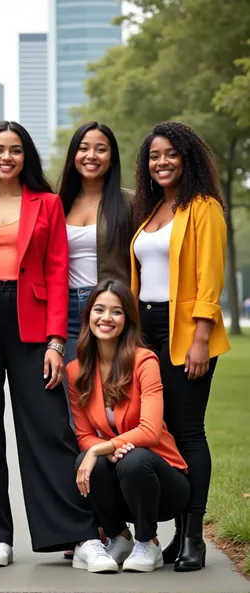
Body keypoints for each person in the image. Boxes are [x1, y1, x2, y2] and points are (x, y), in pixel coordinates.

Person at [0, 120, 97, 568]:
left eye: (14, 150)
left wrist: (54, 340)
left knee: (50, 427)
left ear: (26, 156)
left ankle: (77, 535)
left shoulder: (47, 204)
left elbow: (56, 270)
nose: (6, 157)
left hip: (33, 324)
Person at [131, 122, 231, 571]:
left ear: (187, 158)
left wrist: (201, 338)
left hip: (186, 329)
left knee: (188, 432)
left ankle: (194, 536)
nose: (162, 162)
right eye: (154, 155)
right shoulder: (150, 210)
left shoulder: (203, 207)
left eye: (170, 153)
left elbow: (210, 275)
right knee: (160, 433)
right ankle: (170, 535)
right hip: (146, 329)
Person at [67, 279, 190, 573]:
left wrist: (105, 448)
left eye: (116, 312)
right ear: (88, 316)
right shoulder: (76, 371)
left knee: (133, 459)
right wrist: (100, 453)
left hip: (164, 483)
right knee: (86, 461)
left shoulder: (144, 361)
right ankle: (119, 536)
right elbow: (83, 434)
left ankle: (148, 543)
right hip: (122, 477)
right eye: (99, 310)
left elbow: (150, 430)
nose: (106, 318)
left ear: (128, 320)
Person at [58, 121, 135, 367]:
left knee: (111, 395)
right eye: (84, 148)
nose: (91, 156)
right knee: (74, 394)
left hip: (110, 310)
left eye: (101, 149)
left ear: (111, 158)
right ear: (73, 156)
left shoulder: (130, 204)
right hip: (66, 311)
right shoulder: (56, 204)